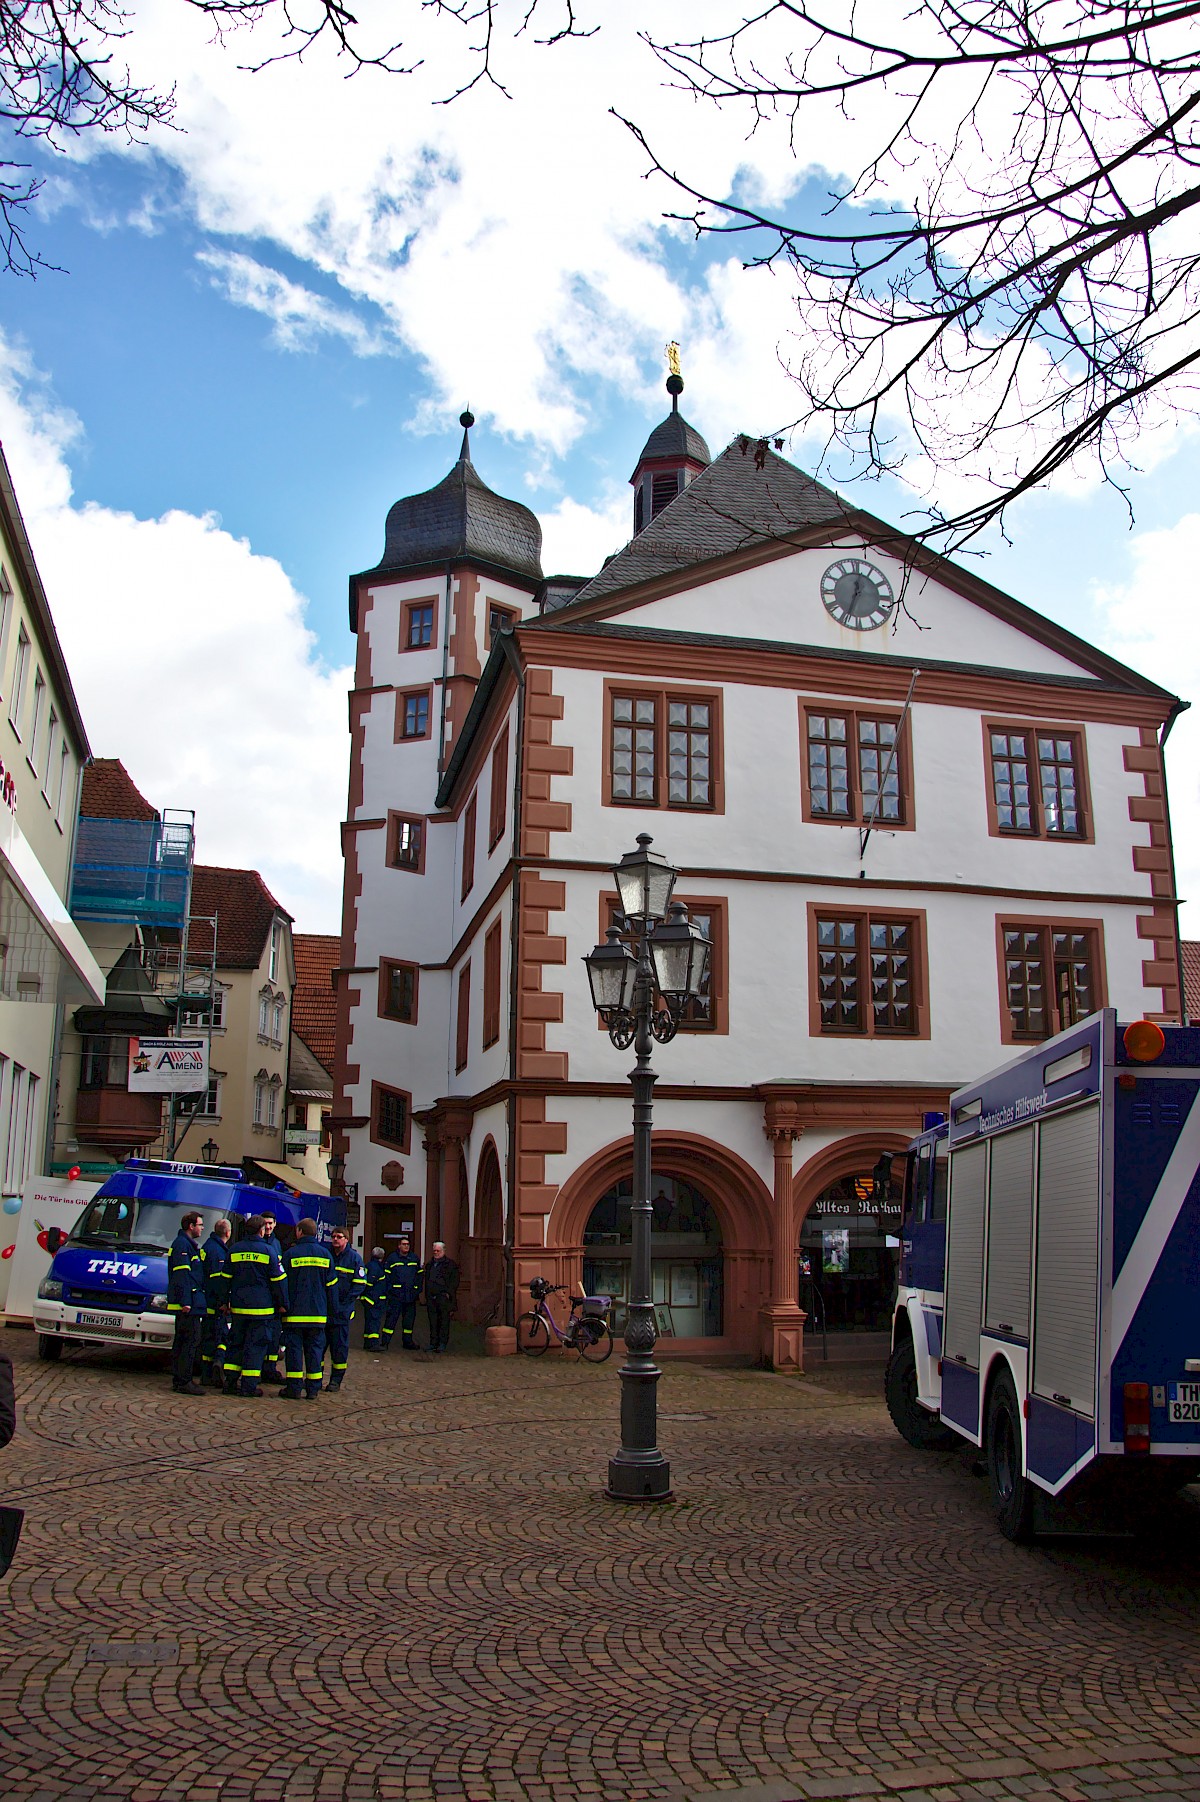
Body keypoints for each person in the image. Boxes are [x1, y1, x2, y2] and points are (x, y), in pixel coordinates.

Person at [223, 1216, 288, 1397]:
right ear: (261, 1230)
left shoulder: (233, 1250)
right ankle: (249, 1386)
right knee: (255, 1347)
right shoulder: (268, 1252)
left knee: (235, 1344)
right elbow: (278, 1282)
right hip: (262, 1310)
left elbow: (224, 1280)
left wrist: (222, 1302)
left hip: (238, 1308)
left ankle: (229, 1381)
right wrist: (283, 1304)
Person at [279, 1218, 338, 1400]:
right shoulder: (325, 1256)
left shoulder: (290, 1254)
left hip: (294, 1315)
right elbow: (332, 1287)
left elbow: (282, 1285)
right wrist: (332, 1312)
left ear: (299, 1232)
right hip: (318, 1316)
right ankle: (313, 1389)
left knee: (294, 1352)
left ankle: (294, 1388)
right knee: (315, 1352)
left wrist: (282, 1306)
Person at [167, 1210, 208, 1396]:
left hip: (190, 1303)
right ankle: (184, 1381)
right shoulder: (182, 1245)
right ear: (191, 1226)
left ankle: (180, 1379)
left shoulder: (186, 1244)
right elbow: (182, 1275)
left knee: (184, 1342)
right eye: (200, 1225)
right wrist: (186, 1301)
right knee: (188, 1343)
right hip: (188, 1306)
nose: (202, 1228)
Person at [326, 1227, 367, 1392]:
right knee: (319, 1346)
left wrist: (344, 1304)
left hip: (342, 1311)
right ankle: (316, 1378)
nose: (335, 1239)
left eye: (339, 1237)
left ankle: (336, 1380)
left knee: (339, 1348)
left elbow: (359, 1285)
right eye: (333, 1236)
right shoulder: (327, 1255)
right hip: (326, 1309)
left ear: (346, 1239)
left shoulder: (354, 1259)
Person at [199, 1218, 232, 1386]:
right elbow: (218, 1281)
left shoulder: (206, 1247)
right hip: (215, 1305)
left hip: (204, 1303)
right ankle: (219, 1363)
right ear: (228, 1233)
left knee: (207, 1340)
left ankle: (205, 1375)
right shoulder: (219, 1252)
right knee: (223, 1337)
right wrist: (223, 1302)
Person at [382, 1236, 421, 1350]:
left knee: (409, 1321)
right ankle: (385, 1342)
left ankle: (407, 1342)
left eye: (408, 1244)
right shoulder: (392, 1259)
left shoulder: (414, 1258)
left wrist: (416, 1289)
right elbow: (387, 1276)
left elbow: (419, 1275)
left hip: (410, 1295)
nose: (406, 1246)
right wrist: (390, 1290)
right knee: (391, 1319)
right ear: (399, 1246)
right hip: (396, 1295)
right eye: (404, 1244)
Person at [258, 1210, 285, 1383]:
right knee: (259, 1337)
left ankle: (270, 1369)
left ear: (275, 1224)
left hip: (273, 1300)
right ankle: (257, 1369)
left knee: (274, 1337)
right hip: (260, 1299)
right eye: (265, 1223)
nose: (268, 1226)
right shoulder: (257, 1242)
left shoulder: (276, 1244)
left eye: (270, 1223)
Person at [420, 1241, 460, 1355]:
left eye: (438, 1251)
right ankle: (433, 1342)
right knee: (433, 1321)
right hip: (431, 1297)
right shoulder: (430, 1264)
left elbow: (454, 1281)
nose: (436, 1253)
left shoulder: (450, 1265)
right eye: (435, 1251)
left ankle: (442, 1343)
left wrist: (448, 1294)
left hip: (443, 1297)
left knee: (443, 1321)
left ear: (443, 1251)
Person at [362, 1246, 386, 1351]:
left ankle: (367, 1342)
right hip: (374, 1300)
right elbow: (371, 1284)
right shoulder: (376, 1268)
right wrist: (372, 1299)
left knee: (369, 1321)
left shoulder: (369, 1265)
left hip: (369, 1299)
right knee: (374, 1321)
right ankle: (373, 1344)